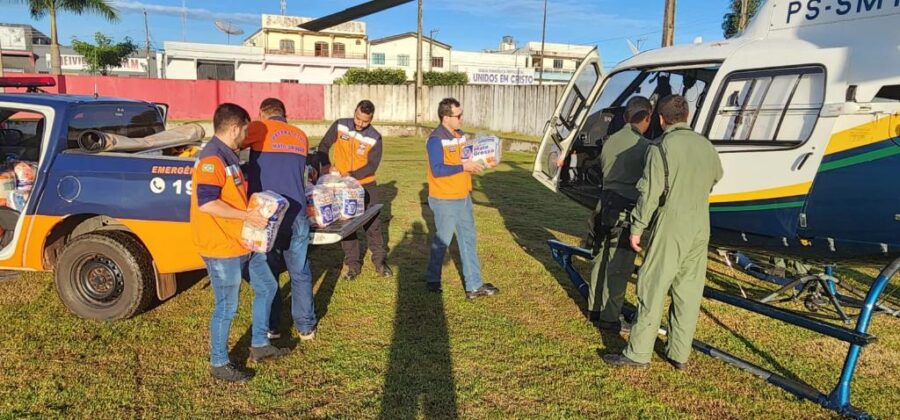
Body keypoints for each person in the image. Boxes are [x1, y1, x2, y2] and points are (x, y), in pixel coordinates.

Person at [603, 95, 723, 369]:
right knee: (688, 291)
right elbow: (717, 175)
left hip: (672, 222)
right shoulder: (706, 145)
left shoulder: (660, 148)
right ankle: (678, 353)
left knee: (653, 285)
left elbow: (649, 193)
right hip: (700, 223)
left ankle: (638, 353)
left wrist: (637, 228)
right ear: (687, 116)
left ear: (660, 119)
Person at [191, 103, 289, 384]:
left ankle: (259, 344)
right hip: (221, 246)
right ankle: (219, 363)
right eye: (246, 129)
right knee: (227, 306)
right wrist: (247, 215)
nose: (247, 135)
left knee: (267, 286)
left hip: (243, 241)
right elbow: (207, 203)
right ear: (235, 128)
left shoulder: (228, 155)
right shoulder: (212, 159)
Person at [244, 98, 318, 341]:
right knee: (300, 271)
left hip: (268, 213)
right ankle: (306, 327)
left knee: (267, 271)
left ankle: (272, 326)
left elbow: (233, 144)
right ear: (284, 114)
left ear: (262, 113)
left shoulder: (259, 128)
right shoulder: (300, 136)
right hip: (296, 212)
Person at [587, 96, 653, 331]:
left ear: (625, 117)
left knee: (600, 258)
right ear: (648, 117)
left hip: (603, 206)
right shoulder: (645, 147)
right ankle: (610, 317)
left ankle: (594, 308)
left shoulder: (610, 140)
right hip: (625, 210)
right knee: (619, 266)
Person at [424, 97, 499, 299]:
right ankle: (433, 280)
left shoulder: (461, 135)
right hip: (445, 199)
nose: (461, 119)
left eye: (461, 114)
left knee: (468, 240)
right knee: (443, 241)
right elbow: (438, 169)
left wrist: (484, 161)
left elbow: (468, 159)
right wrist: (463, 167)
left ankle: (474, 286)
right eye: (458, 116)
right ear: (445, 117)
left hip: (463, 196)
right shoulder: (435, 140)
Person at [317, 100, 392, 280]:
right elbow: (323, 146)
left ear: (371, 119)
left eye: (365, 121)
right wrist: (326, 166)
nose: (360, 123)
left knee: (373, 225)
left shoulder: (375, 137)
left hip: (365, 185)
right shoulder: (340, 125)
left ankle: (380, 262)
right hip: (341, 186)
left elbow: (372, 165)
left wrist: (352, 175)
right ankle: (352, 265)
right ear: (354, 112)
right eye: (358, 118)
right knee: (348, 225)